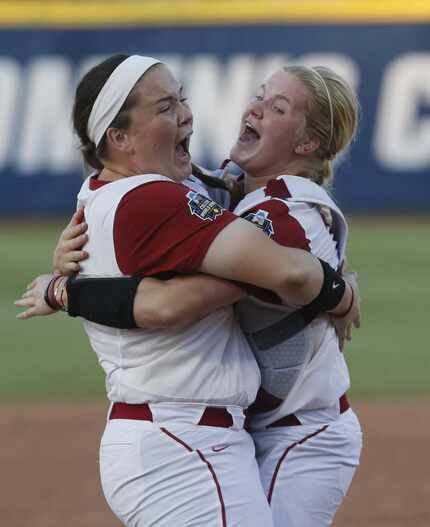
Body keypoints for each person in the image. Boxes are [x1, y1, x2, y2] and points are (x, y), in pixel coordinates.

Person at [16, 54, 358, 527]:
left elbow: (229, 241)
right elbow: (172, 303)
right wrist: (337, 290)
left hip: (252, 434)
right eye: (165, 107)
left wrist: (64, 288)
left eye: (182, 99)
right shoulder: (160, 195)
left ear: (309, 142)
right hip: (181, 442)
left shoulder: (160, 189)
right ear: (118, 137)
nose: (186, 114)